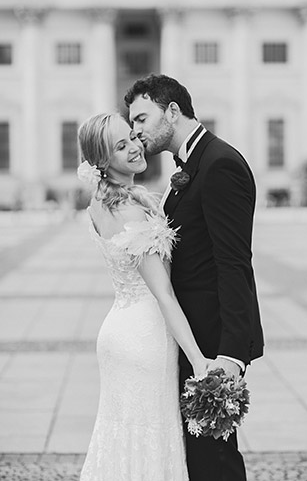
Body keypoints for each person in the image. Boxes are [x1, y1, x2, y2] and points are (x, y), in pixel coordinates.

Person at [125, 74, 264, 481]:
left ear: (172, 111)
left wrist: (232, 354)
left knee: (214, 460)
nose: (136, 131)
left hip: (211, 341)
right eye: (132, 123)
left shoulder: (219, 164)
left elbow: (234, 261)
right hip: (190, 332)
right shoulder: (191, 164)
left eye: (141, 119)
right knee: (197, 455)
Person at [77, 112, 212, 480]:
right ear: (103, 163)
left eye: (132, 137)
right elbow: (164, 294)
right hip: (145, 336)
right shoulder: (130, 210)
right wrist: (199, 360)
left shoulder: (100, 204)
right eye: (121, 146)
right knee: (151, 437)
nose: (136, 147)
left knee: (120, 436)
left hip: (119, 326)